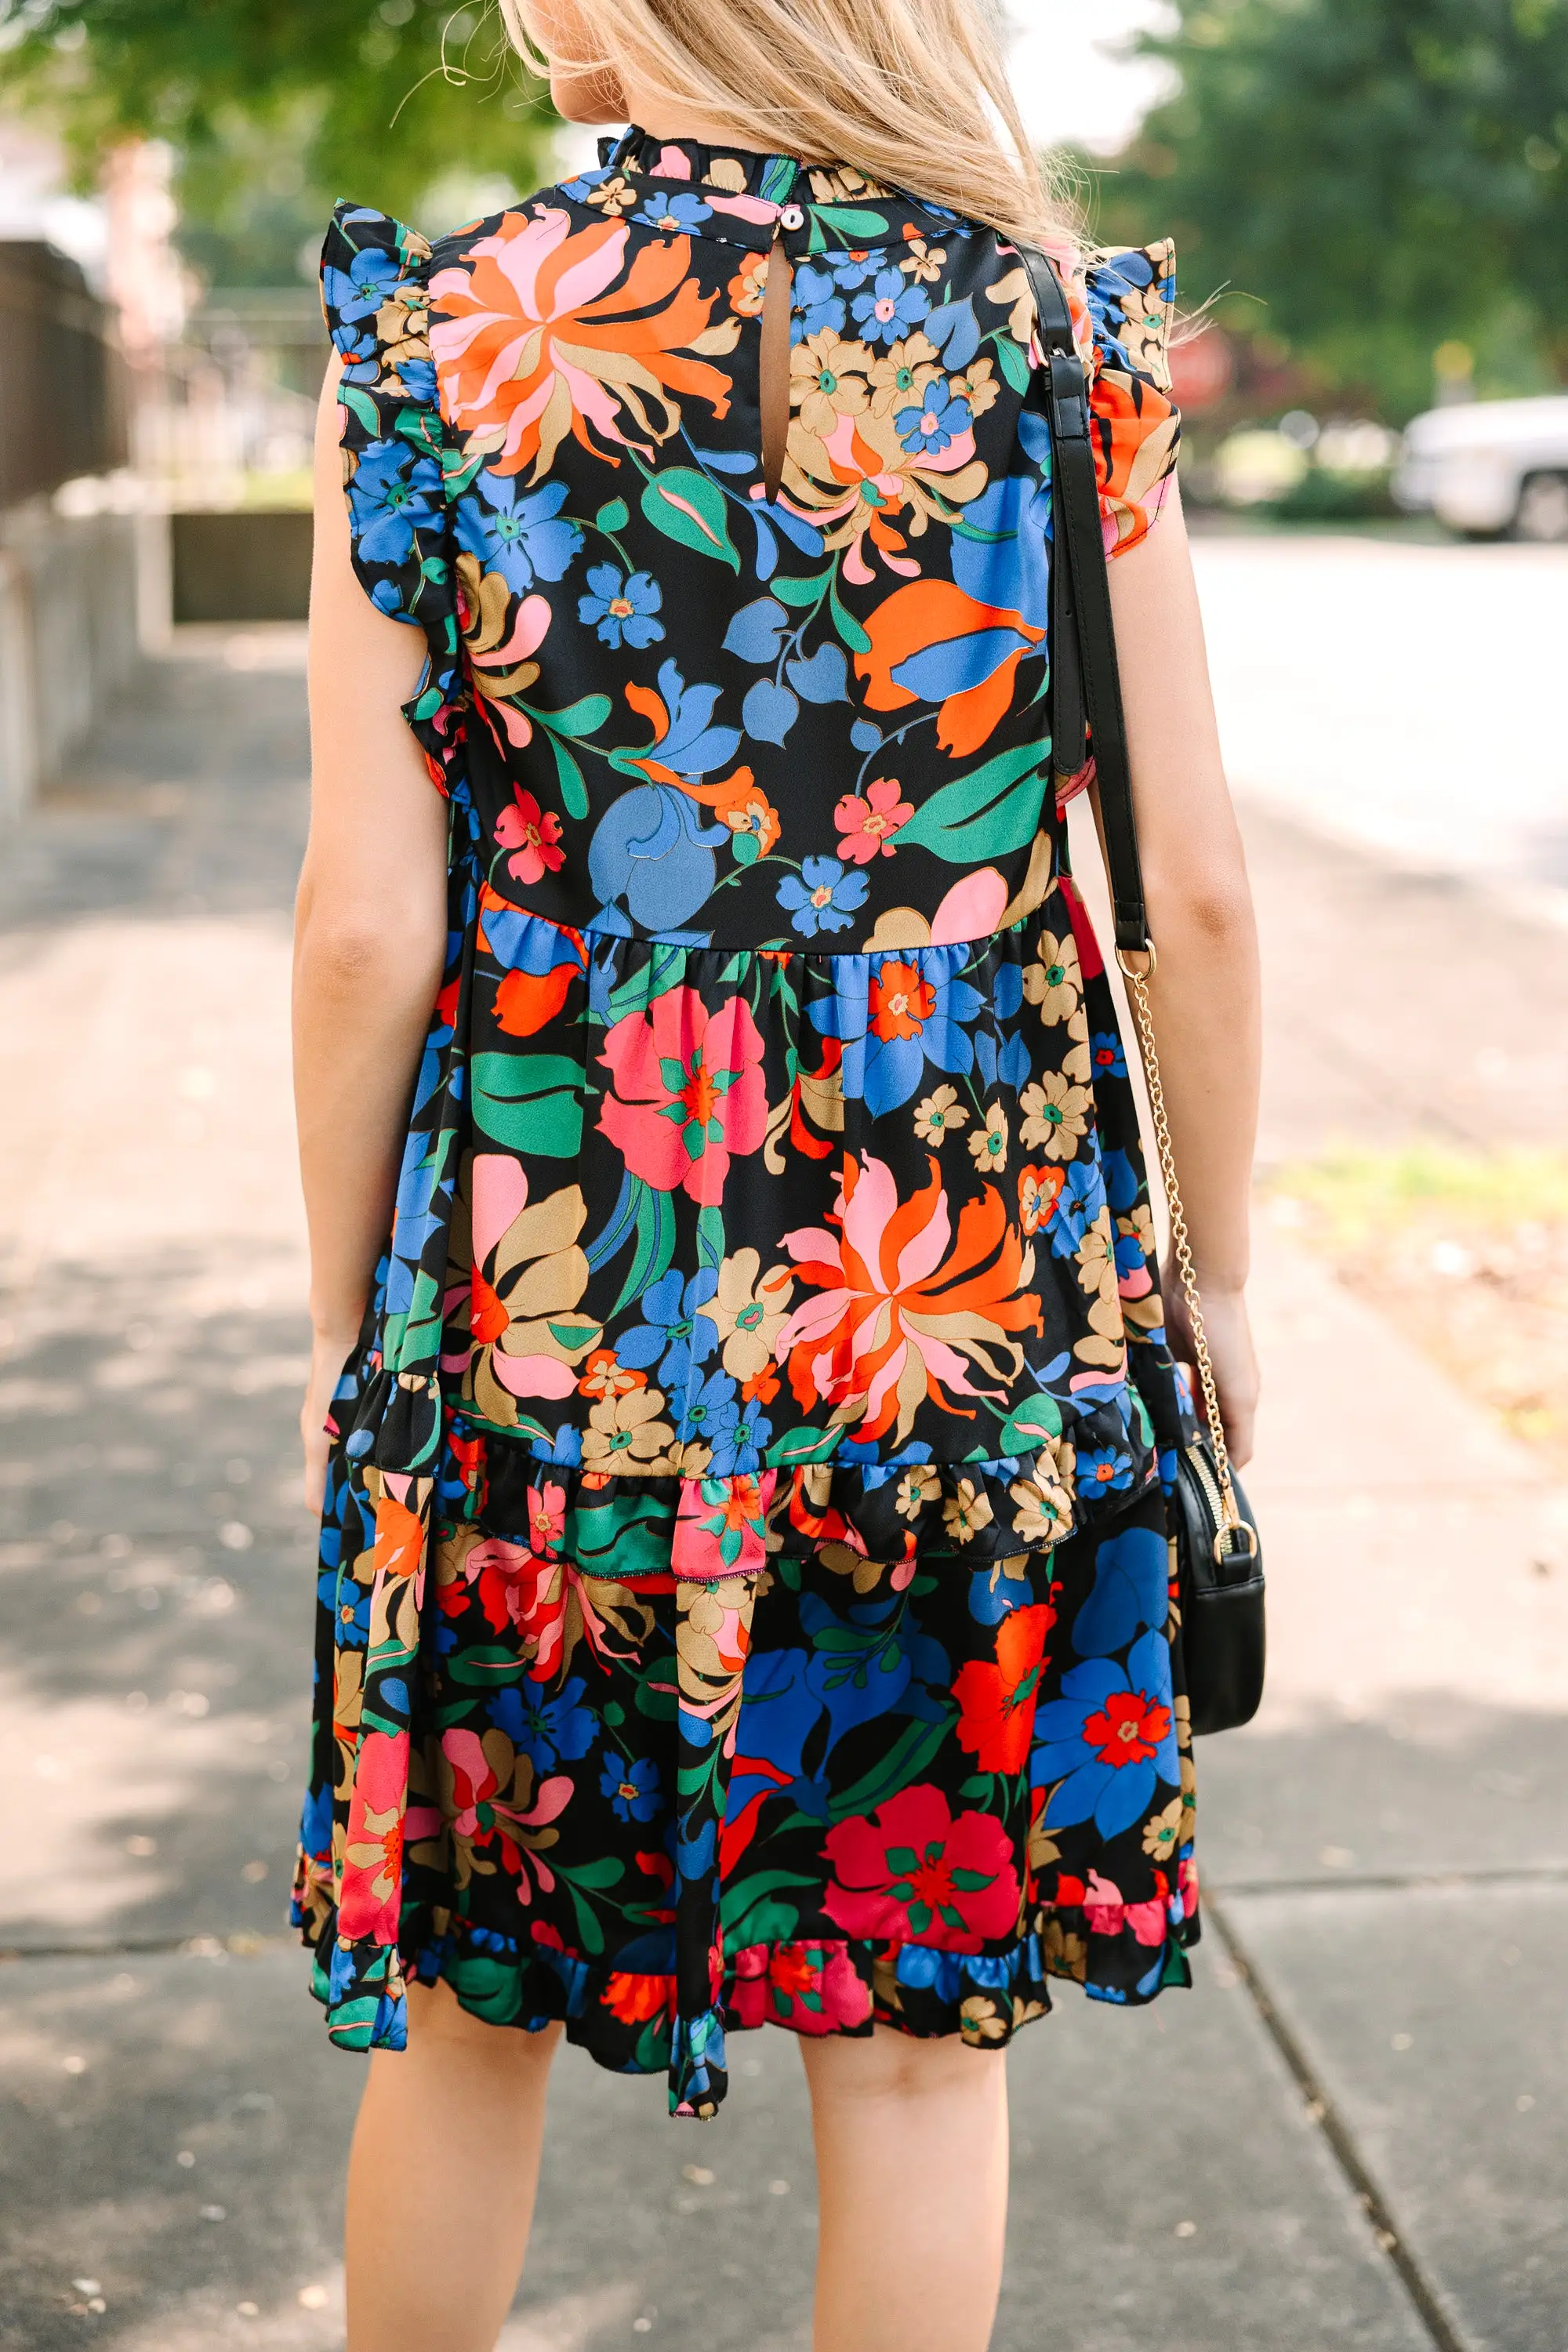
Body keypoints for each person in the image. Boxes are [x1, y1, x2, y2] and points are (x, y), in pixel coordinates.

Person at [292, 1, 1261, 2343]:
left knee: (470, 2012)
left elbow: (358, 927)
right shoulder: (1054, 339)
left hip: (551, 1283)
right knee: (918, 2056)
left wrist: (348, 1325)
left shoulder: (437, 348)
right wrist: (1222, 1283)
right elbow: (1194, 893)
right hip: (958, 1290)